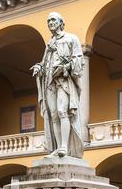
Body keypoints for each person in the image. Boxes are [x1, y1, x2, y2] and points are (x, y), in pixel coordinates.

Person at [31, 12, 84, 158]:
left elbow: (79, 61)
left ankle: (64, 147)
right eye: (48, 21)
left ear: (61, 22)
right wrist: (39, 68)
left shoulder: (71, 38)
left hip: (64, 81)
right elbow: (45, 62)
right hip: (49, 82)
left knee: (62, 111)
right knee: (53, 115)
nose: (50, 23)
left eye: (53, 20)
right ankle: (57, 147)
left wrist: (65, 67)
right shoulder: (49, 44)